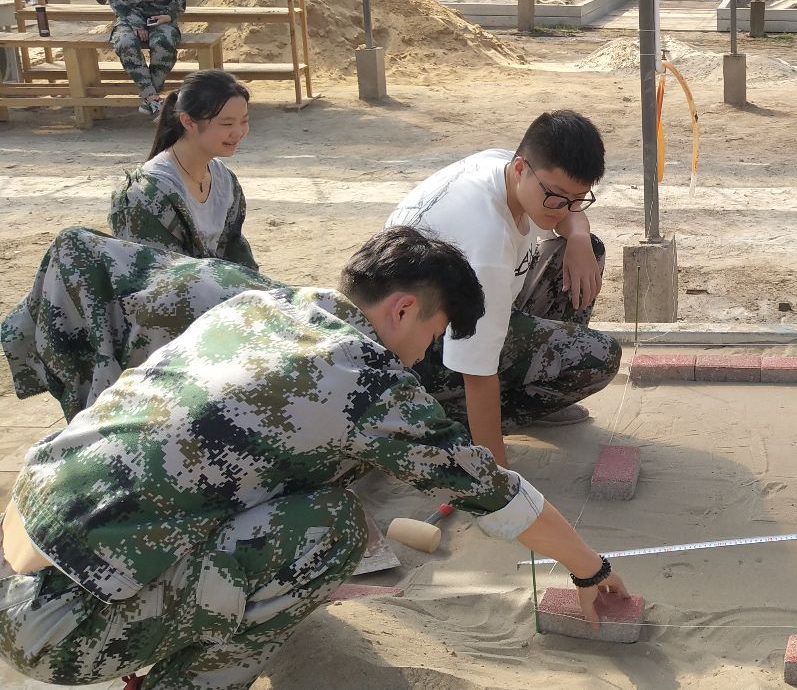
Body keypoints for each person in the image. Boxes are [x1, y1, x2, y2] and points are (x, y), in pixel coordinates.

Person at [0, 226, 628, 689]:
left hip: (17, 557)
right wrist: (590, 571)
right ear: (402, 309)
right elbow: (494, 492)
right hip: (61, 630)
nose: (422, 356)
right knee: (331, 528)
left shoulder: (258, 307)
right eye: (432, 336)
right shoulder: (366, 380)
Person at [386, 111, 622, 465]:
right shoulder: (487, 244)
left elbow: (568, 212)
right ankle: (439, 423)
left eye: (578, 199)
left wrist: (578, 235)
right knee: (596, 356)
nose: (564, 209)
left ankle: (536, 391)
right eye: (557, 196)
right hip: (417, 356)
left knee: (588, 250)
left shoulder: (504, 165)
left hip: (460, 311)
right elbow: (477, 372)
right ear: (521, 169)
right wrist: (498, 476)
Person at [3, 226, 275, 420]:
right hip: (254, 298)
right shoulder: (159, 274)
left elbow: (102, 413)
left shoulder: (135, 323)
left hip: (243, 336)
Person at [110, 70, 255, 266]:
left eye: (244, 121)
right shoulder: (146, 195)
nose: (238, 132)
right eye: (227, 123)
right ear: (188, 122)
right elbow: (154, 275)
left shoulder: (225, 181)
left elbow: (236, 253)